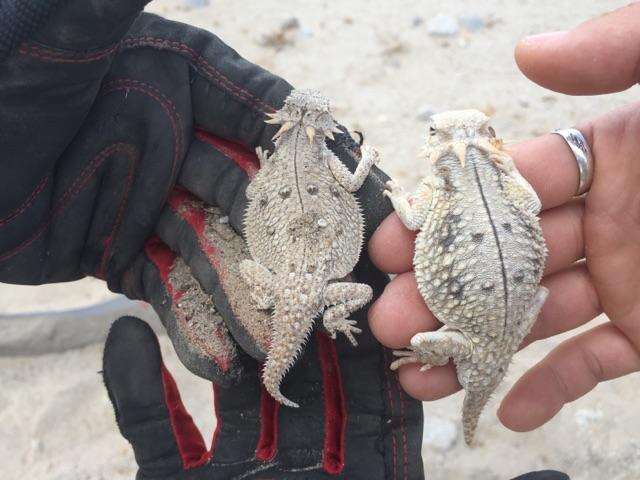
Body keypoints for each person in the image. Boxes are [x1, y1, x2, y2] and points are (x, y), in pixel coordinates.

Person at [1, 0, 614, 479]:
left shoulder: (288, 155)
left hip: (299, 271)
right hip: (322, 272)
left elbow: (397, 207)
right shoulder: (496, 188)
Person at [369, 2, 640, 435]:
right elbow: (530, 208)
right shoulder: (507, 182)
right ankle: (473, 420)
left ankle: (471, 419)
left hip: (508, 315)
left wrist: (398, 194)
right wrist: (508, 167)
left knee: (419, 339)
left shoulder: (437, 191)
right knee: (420, 339)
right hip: (498, 307)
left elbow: (411, 215)